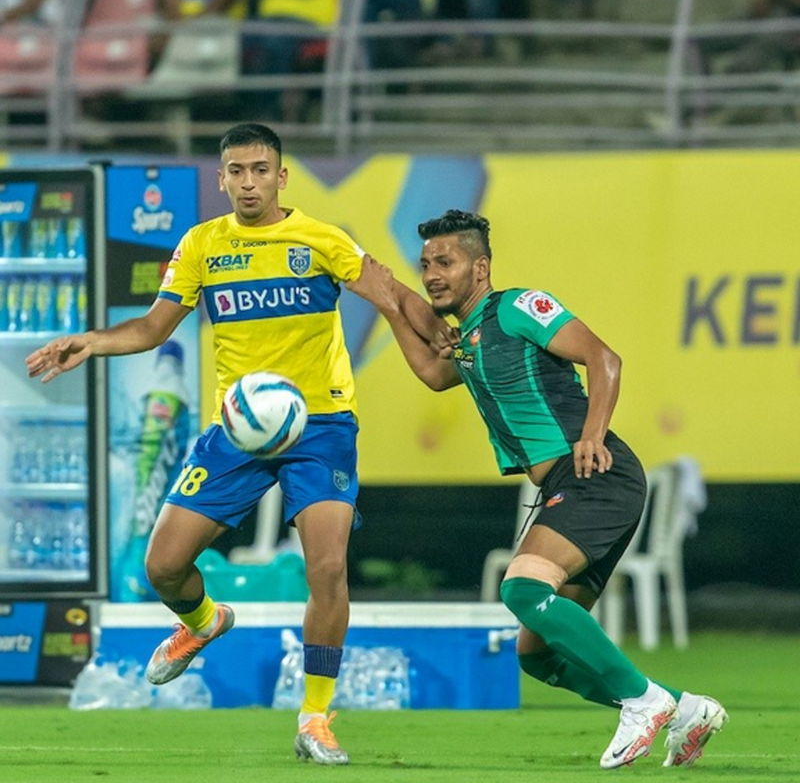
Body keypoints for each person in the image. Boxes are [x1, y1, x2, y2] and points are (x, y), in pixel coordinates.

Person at [25, 122, 430, 766]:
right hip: (237, 431)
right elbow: (154, 328)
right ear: (221, 179)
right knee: (162, 567)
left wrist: (446, 338)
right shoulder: (202, 244)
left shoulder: (322, 240)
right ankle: (204, 621)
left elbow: (399, 298)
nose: (249, 182)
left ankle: (314, 717)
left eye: (260, 170)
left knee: (327, 568)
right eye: (236, 171)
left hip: (321, 425)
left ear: (281, 176)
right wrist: (92, 342)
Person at [348, 209, 728, 770]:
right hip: (569, 485)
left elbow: (604, 359)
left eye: (445, 262)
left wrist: (592, 434)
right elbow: (432, 372)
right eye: (425, 265)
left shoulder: (519, 307)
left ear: (481, 268)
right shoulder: (470, 338)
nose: (431, 275)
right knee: (537, 654)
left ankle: (643, 702)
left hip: (596, 473)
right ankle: (684, 709)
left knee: (523, 588)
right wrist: (388, 303)